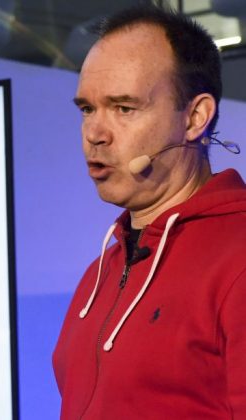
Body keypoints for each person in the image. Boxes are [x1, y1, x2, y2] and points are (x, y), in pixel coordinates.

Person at [53, 4, 246, 419]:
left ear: (195, 117)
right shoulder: (100, 272)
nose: (95, 134)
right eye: (87, 108)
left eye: (124, 108)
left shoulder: (239, 258)